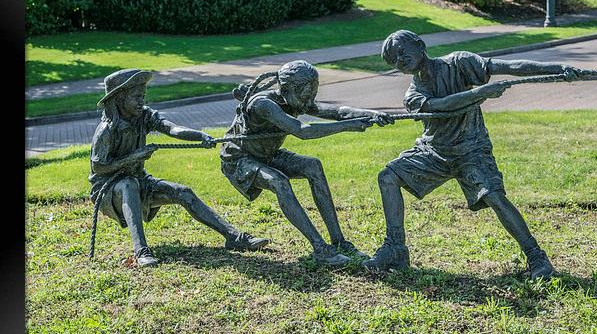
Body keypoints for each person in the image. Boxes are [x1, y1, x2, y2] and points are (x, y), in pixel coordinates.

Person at [363, 30, 580, 278]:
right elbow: (443, 107)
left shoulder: (458, 62)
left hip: (472, 149)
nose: (400, 60)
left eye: (402, 52)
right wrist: (480, 93)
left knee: (495, 197)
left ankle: (537, 257)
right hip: (433, 152)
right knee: (388, 176)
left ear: (420, 45)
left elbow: (508, 65)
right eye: (394, 60)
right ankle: (395, 248)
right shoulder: (413, 95)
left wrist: (558, 68)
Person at [89, 68, 269, 267]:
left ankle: (234, 237)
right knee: (128, 184)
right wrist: (134, 157)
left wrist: (199, 136)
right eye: (136, 97)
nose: (142, 101)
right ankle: (141, 251)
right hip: (108, 189)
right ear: (120, 99)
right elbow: (98, 167)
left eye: (143, 96)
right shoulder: (106, 130)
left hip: (139, 181)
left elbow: (172, 128)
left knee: (182, 192)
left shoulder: (144, 116)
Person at [220, 60, 393, 266]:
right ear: (286, 89)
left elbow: (337, 112)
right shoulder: (263, 104)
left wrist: (371, 114)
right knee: (279, 181)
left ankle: (338, 241)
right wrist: (348, 126)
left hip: (268, 154)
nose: (309, 101)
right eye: (306, 95)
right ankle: (319, 248)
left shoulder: (295, 99)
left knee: (313, 166)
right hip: (240, 159)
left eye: (313, 94)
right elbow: (303, 131)